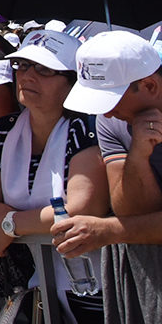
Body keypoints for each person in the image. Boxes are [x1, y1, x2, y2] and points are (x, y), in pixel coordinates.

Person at [0, 28, 107, 322]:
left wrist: (10, 223)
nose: (27, 76)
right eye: (23, 66)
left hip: (95, 287)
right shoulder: (2, 132)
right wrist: (33, 222)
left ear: (71, 80)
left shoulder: (88, 128)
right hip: (35, 285)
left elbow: (81, 210)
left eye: (44, 69)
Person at [52, 30, 162, 321]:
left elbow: (126, 222)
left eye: (110, 100)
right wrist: (138, 154)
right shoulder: (110, 120)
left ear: (150, 84)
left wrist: (109, 231)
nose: (107, 113)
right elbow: (133, 210)